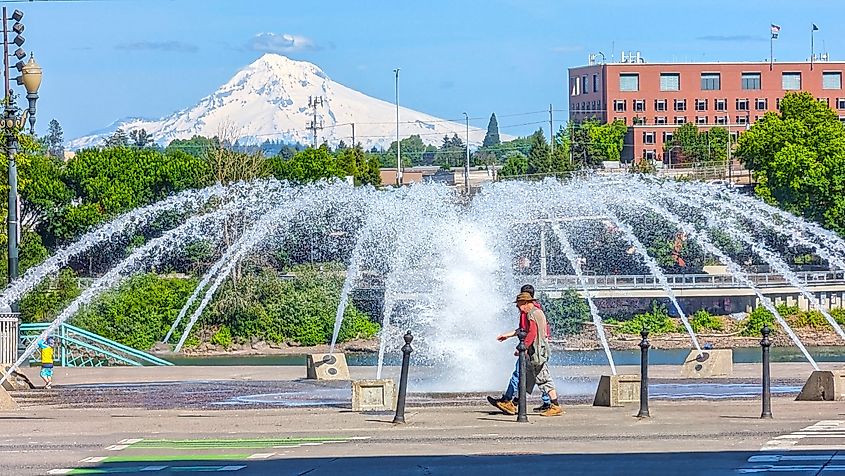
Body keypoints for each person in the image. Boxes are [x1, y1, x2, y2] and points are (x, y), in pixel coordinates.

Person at [488, 290, 562, 417]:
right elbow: (526, 331)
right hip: (534, 352)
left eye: (519, 304)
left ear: (526, 302)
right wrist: (507, 336)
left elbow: (532, 333)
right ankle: (512, 404)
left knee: (544, 379)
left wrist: (523, 348)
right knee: (526, 380)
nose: (518, 307)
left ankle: (555, 405)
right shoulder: (537, 312)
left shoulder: (531, 314)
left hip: (536, 353)